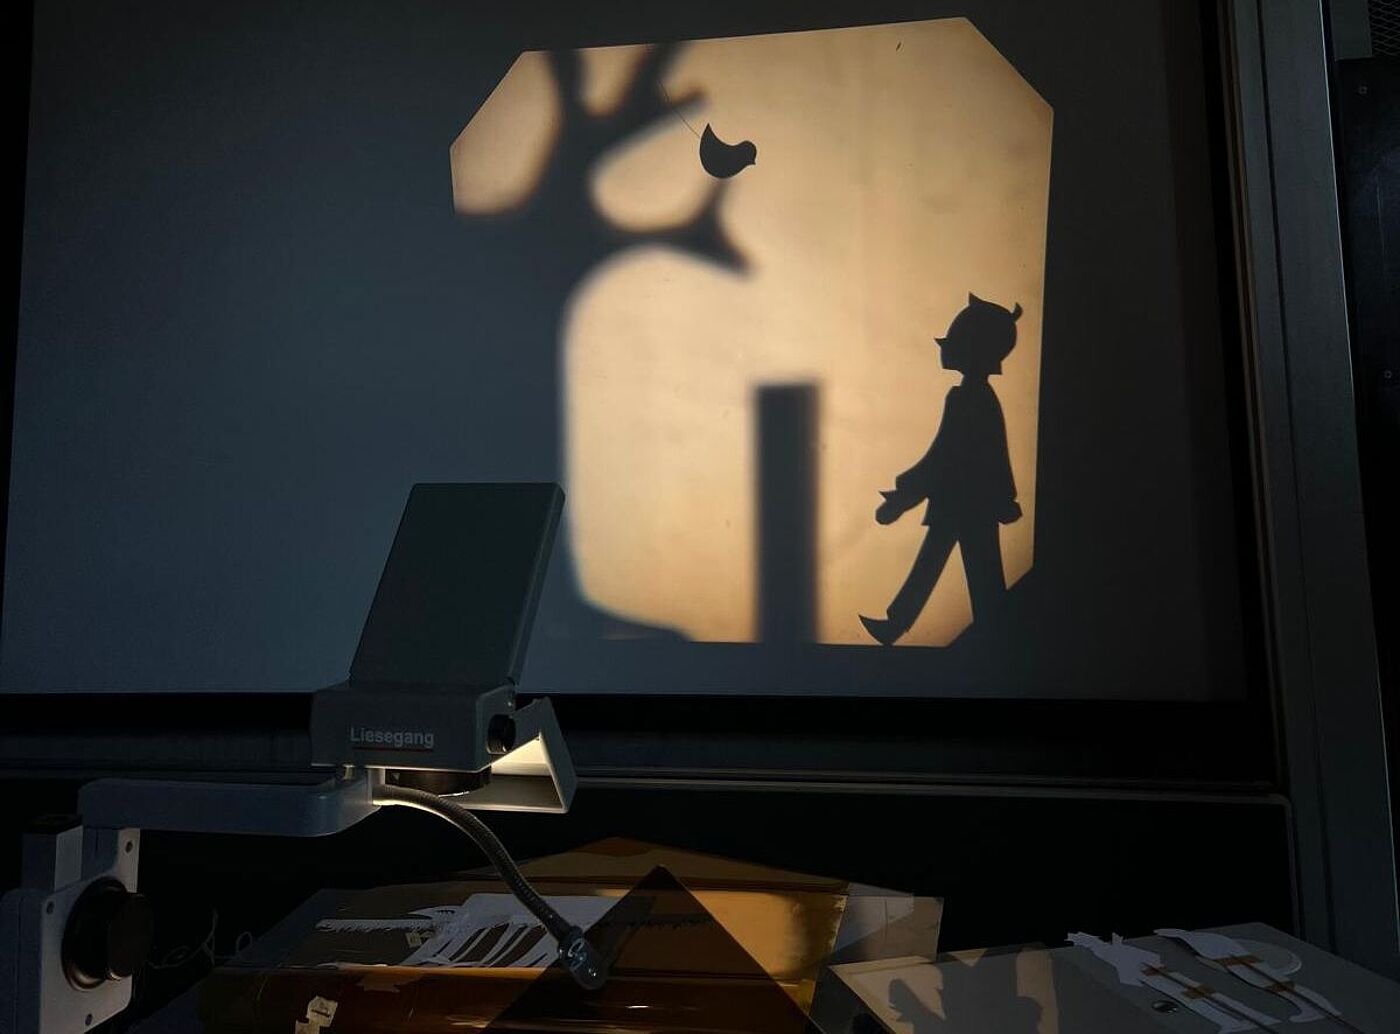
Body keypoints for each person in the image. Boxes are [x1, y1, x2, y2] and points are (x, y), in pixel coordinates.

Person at [860, 293, 1022, 646]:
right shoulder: (979, 397)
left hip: (966, 503)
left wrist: (904, 495)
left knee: (965, 571)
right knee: (957, 567)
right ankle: (898, 624)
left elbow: (942, 455)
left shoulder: (967, 398)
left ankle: (901, 625)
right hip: (969, 502)